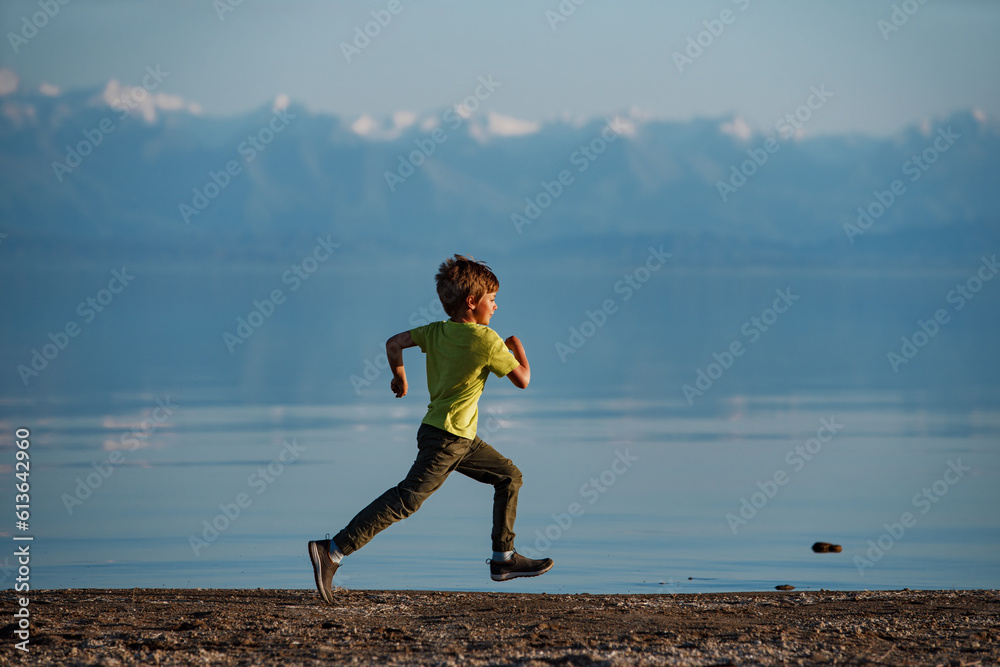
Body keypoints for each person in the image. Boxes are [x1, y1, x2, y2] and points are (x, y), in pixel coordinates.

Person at [308, 254, 553, 603]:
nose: (496, 307)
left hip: (451, 435)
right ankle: (331, 550)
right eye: (493, 300)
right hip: (448, 440)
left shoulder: (435, 331)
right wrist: (518, 349)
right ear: (472, 302)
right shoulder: (488, 341)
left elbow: (394, 343)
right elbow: (524, 381)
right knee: (406, 500)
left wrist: (399, 377)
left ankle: (503, 559)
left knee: (509, 476)